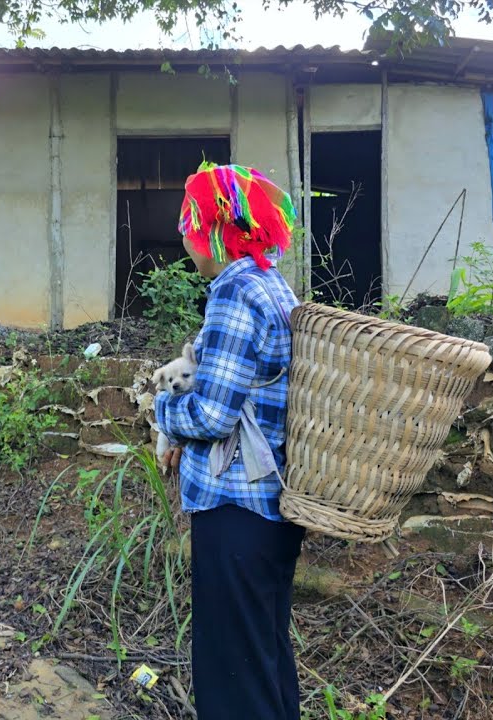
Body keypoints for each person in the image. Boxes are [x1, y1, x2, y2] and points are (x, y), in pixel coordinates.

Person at [155, 163, 305, 720]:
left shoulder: (234, 293)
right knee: (262, 658)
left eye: (190, 225)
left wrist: (162, 410)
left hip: (234, 503)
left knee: (231, 675)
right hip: (269, 508)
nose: (185, 238)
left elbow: (212, 414)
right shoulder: (270, 282)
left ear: (215, 229)